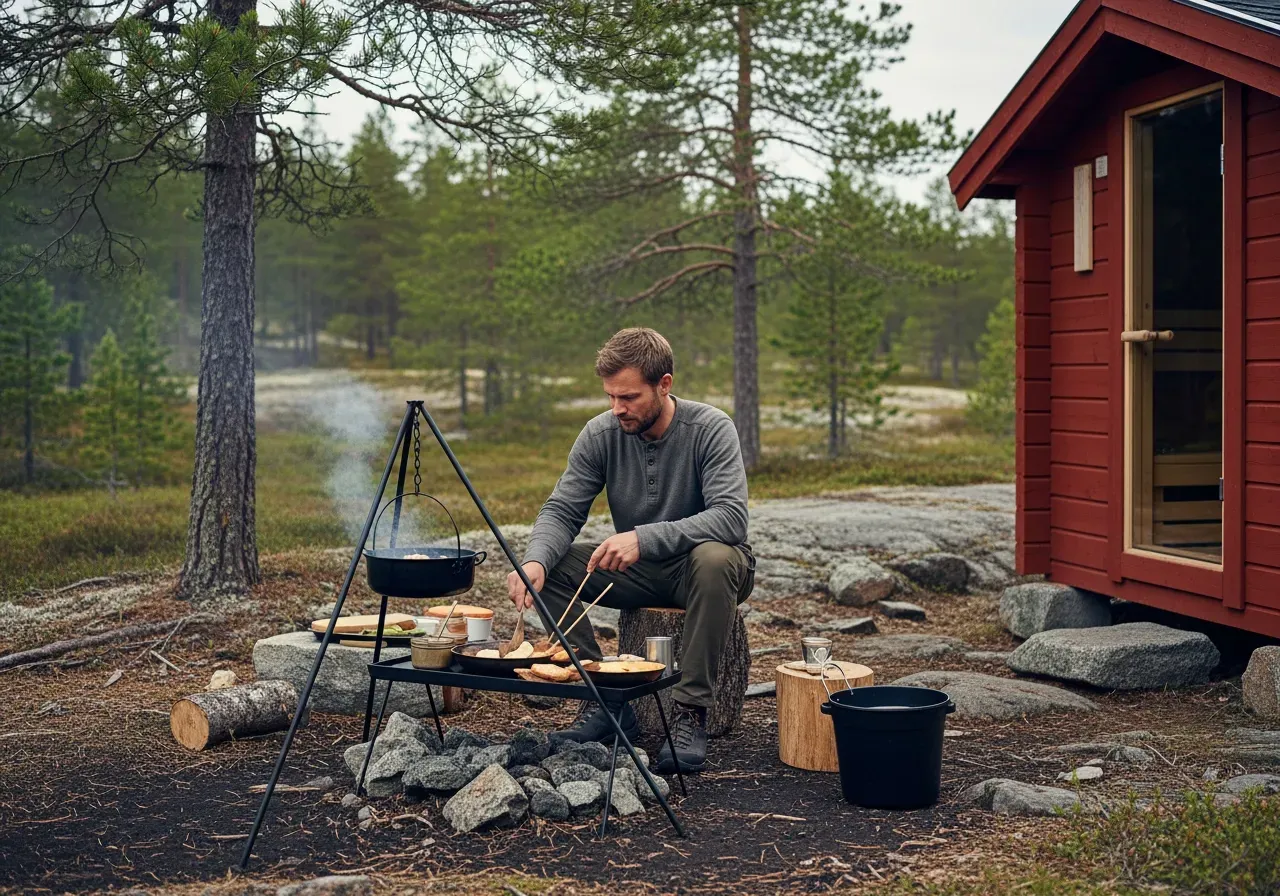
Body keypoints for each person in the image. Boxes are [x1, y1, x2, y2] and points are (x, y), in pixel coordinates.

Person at [506, 327, 754, 773]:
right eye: (610, 397)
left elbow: (731, 518)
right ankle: (603, 698)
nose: (617, 408)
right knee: (553, 565)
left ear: (665, 384)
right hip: (639, 574)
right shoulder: (600, 434)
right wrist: (534, 560)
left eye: (629, 397)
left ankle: (689, 713)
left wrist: (643, 537)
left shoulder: (711, 428)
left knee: (713, 558)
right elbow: (563, 509)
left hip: (706, 571)